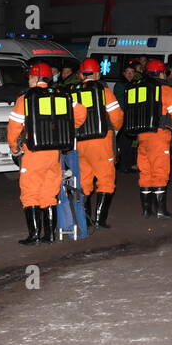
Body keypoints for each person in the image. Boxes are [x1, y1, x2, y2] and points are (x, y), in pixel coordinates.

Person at [7, 61, 87, 246]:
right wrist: (69, 128)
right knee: (49, 193)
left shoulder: (25, 99)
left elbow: (14, 128)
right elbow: (81, 113)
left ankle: (34, 235)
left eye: (30, 76)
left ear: (35, 77)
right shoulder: (62, 95)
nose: (28, 79)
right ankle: (49, 235)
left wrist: (14, 148)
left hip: (33, 154)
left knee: (30, 193)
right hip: (55, 154)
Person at [113, 58, 172, 219]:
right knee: (160, 170)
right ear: (160, 73)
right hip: (159, 135)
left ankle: (146, 211)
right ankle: (160, 210)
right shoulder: (166, 90)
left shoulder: (138, 88)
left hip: (142, 135)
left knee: (145, 171)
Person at [70, 58, 122, 230]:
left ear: (80, 75)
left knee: (84, 181)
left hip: (80, 143)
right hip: (101, 142)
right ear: (97, 73)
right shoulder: (104, 92)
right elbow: (116, 116)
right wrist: (115, 129)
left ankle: (85, 221)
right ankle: (100, 220)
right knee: (106, 180)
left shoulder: (72, 93)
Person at [114, 62, 139, 173]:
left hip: (133, 117)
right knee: (124, 142)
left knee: (131, 142)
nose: (129, 74)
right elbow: (122, 101)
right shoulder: (120, 85)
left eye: (132, 72)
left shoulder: (135, 84)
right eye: (127, 72)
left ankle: (129, 164)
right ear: (123, 73)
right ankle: (124, 165)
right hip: (123, 117)